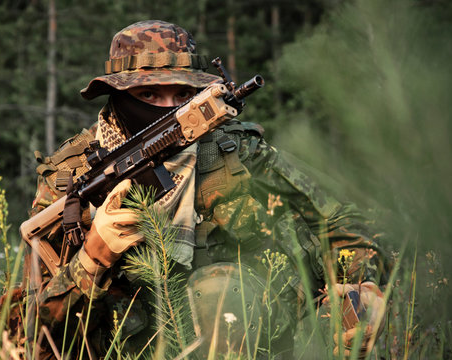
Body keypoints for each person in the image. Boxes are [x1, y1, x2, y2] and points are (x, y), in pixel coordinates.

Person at [20, 20, 388, 359]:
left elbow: (342, 222)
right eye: (148, 95)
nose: (169, 109)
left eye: (182, 95)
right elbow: (36, 333)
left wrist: (363, 286)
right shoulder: (71, 180)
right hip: (123, 344)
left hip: (234, 335)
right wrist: (93, 257)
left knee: (222, 293)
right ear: (116, 96)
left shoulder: (231, 148)